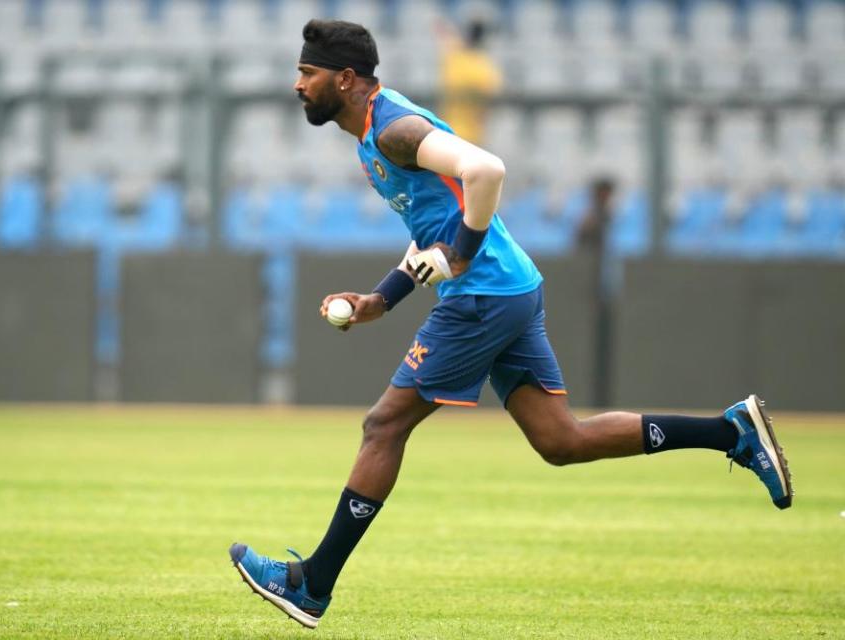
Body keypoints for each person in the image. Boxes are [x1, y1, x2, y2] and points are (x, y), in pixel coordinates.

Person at [229, 19, 793, 630]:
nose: (297, 84)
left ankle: (313, 584)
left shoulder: (394, 129)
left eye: (307, 73)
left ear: (344, 78)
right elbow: (433, 228)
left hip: (483, 297)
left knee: (383, 425)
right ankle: (730, 432)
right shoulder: (373, 131)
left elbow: (487, 171)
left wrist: (464, 253)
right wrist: (382, 299)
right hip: (511, 289)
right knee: (561, 442)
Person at [437, 19, 503, 145]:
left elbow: (442, 30)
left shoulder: (454, 55)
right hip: (468, 134)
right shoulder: (485, 65)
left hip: (452, 130)